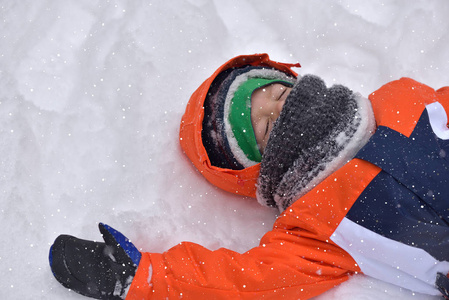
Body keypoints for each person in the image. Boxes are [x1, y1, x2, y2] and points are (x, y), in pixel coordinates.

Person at [49, 53, 449, 299]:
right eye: (267, 130)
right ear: (263, 168)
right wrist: (141, 276)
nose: (280, 112)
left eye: (278, 96)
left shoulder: (403, 98)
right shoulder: (314, 229)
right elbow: (244, 284)